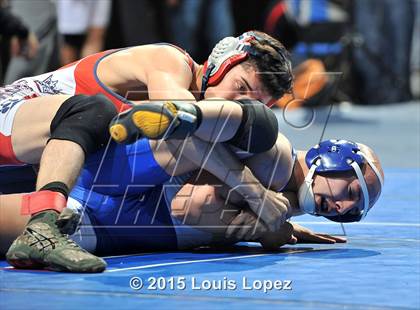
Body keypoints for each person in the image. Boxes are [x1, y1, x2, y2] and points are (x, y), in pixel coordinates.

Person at [0, 31, 293, 272]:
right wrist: (257, 194)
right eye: (239, 87)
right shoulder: (170, 61)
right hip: (15, 116)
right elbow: (180, 131)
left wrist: (271, 220)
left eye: (252, 103)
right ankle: (45, 225)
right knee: (97, 110)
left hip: (40, 164)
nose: (237, 102)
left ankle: (42, 229)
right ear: (222, 64)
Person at [0, 135, 382, 257]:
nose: (342, 207)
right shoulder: (272, 155)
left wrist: (276, 228)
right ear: (330, 160)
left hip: (105, 223)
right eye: (350, 190)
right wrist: (261, 226)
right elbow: (192, 204)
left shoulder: (283, 206)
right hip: (110, 192)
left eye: (352, 211)